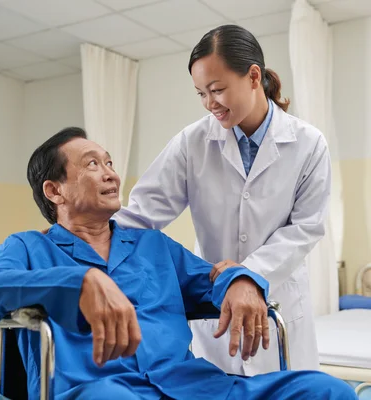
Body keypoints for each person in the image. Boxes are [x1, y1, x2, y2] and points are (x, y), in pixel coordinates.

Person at [0, 128, 355, 400]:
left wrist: (242, 280)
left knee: (328, 391)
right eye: (92, 164)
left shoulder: (153, 246)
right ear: (54, 190)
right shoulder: (28, 248)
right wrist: (76, 283)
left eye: (110, 162)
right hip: (100, 390)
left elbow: (213, 280)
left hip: (193, 386)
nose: (111, 173)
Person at [114, 24, 330, 375]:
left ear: (253, 76)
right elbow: (141, 214)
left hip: (277, 301)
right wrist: (75, 239)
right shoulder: (192, 142)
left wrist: (250, 274)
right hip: (215, 310)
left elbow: (306, 227)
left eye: (217, 90)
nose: (209, 104)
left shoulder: (308, 143)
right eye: (200, 93)